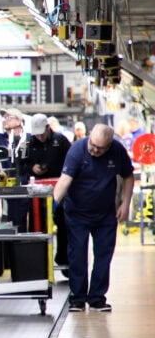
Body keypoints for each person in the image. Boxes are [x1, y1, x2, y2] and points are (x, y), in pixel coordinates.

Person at [53, 124, 134, 312]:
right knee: (77, 255)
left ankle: (97, 298)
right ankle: (77, 299)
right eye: (93, 145)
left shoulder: (117, 151)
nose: (95, 150)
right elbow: (64, 180)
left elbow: (128, 176)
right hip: (77, 214)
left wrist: (125, 204)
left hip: (105, 214)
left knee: (104, 256)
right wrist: (53, 206)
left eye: (100, 148)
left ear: (109, 145)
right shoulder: (77, 150)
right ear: (89, 136)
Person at [26, 113, 72, 265]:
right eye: (37, 135)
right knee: (37, 224)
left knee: (63, 222)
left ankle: (63, 257)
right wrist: (32, 168)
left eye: (42, 133)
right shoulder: (29, 143)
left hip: (60, 190)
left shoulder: (61, 140)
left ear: (48, 127)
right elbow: (22, 164)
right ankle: (39, 260)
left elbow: (72, 162)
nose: (40, 137)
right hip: (37, 192)